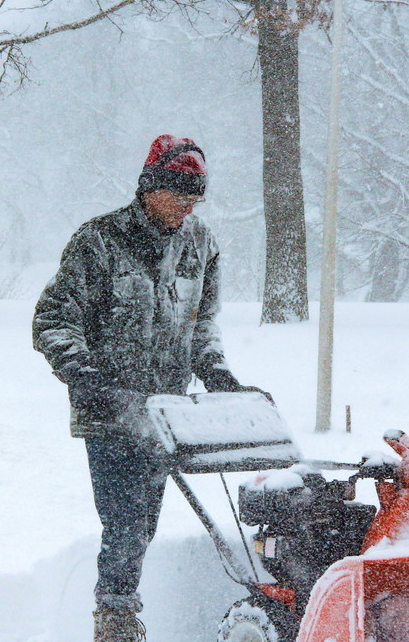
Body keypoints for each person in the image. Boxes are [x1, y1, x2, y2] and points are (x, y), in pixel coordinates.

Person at [32, 134, 268, 642]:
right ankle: (115, 622)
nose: (186, 208)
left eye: (195, 200)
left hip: (166, 413)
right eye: (178, 197)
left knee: (144, 523)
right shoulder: (100, 241)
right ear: (149, 188)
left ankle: (120, 612)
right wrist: (85, 375)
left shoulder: (200, 243)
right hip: (111, 409)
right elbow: (53, 319)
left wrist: (218, 373)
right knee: (125, 525)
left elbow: (201, 324)